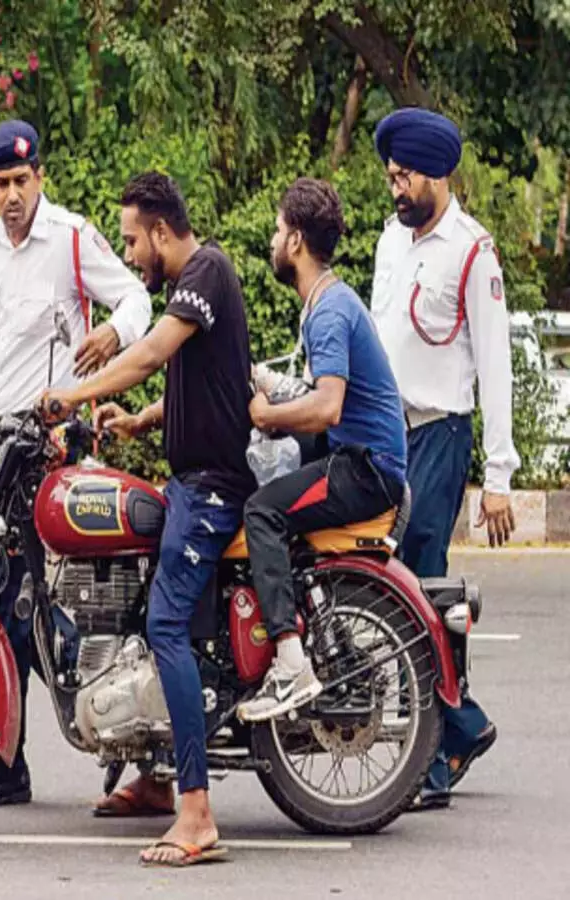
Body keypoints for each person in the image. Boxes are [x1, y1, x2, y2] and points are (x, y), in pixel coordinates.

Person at [39, 171, 256, 867]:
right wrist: (139, 422)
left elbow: (154, 351)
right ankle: (157, 779)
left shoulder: (206, 271)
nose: (131, 255)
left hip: (212, 490)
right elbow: (206, 382)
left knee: (164, 624)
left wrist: (75, 394)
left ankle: (196, 811)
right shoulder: (197, 282)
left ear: (162, 231)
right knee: (143, 609)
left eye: (133, 240)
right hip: (189, 481)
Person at [0, 120, 153, 808]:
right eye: (0, 184)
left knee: (26, 601)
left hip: (51, 445)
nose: (11, 195)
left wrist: (111, 332)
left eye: (20, 181)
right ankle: (24, 751)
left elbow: (138, 297)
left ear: (40, 177)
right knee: (5, 601)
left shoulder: (70, 238)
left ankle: (27, 749)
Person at [370, 107, 512, 809]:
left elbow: (496, 365)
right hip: (384, 435)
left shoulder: (472, 251)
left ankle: (431, 754)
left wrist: (500, 478)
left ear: (439, 174)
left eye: (406, 178)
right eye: (392, 176)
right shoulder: (389, 244)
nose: (396, 190)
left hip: (439, 435)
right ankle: (461, 724)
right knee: (397, 586)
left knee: (415, 589)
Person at [235, 178, 407, 723]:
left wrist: (267, 414)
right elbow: (312, 396)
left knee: (261, 512)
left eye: (278, 228)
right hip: (358, 457)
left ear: (296, 242)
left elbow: (327, 406)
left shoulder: (330, 310)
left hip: (365, 469)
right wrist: (253, 378)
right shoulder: (325, 302)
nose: (272, 239)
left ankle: (290, 659)